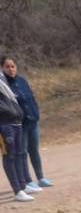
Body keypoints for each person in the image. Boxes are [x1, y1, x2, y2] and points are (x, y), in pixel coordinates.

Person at [1, 55, 52, 190]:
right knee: (21, 153)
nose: (11, 69)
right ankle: (28, 181)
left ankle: (40, 178)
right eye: (7, 67)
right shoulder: (4, 85)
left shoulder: (22, 80)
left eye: (13, 66)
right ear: (2, 68)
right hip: (19, 123)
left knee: (34, 150)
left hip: (32, 121)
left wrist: (36, 113)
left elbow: (31, 97)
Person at [0, 72, 33, 202]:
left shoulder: (2, 76)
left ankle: (23, 185)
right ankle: (17, 190)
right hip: (4, 124)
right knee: (9, 155)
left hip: (16, 120)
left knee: (19, 154)